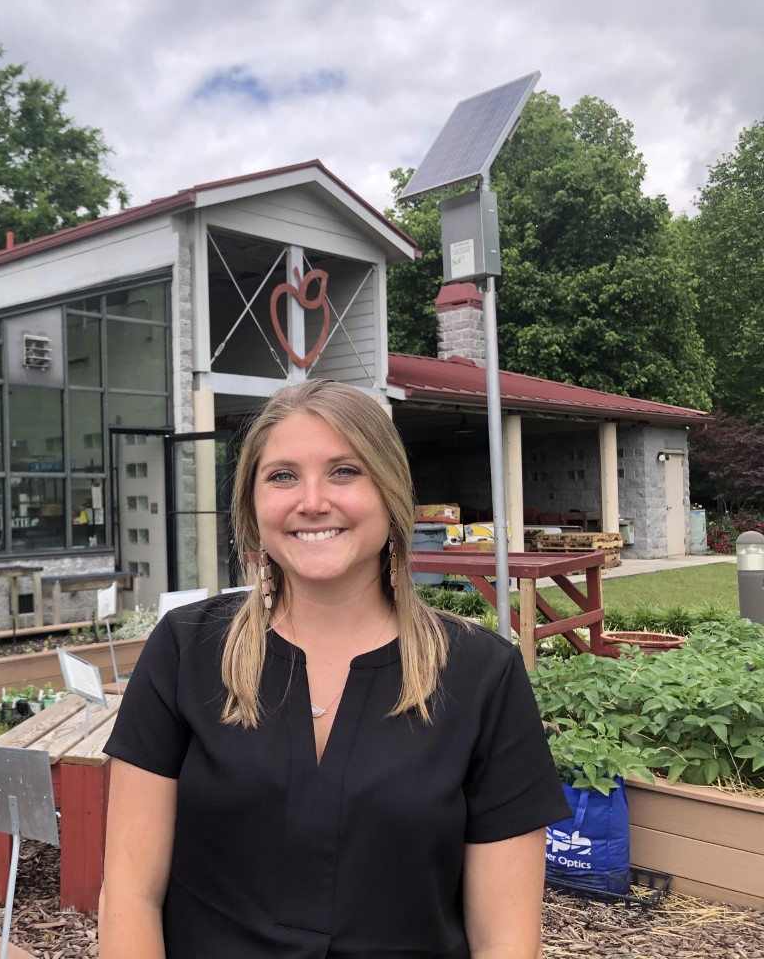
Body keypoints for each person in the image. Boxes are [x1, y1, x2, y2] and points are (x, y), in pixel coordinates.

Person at [100, 379, 569, 959]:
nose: (312, 500)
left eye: (345, 471)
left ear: (391, 492)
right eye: (282, 475)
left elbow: (505, 940)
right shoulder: (186, 650)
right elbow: (129, 892)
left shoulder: (480, 675)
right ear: (252, 501)